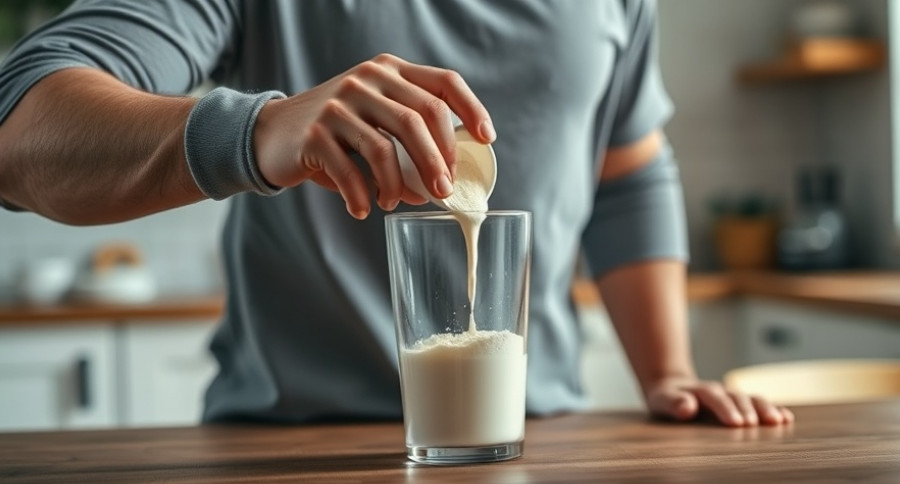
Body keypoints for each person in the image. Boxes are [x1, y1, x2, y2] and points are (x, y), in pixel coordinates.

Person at [0, 0, 793, 427]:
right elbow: (21, 132)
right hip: (288, 451)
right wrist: (261, 130)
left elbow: (628, 170)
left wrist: (669, 374)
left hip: (538, 441)